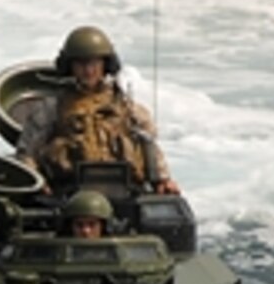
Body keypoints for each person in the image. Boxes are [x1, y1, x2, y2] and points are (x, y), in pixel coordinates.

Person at [16, 26, 180, 195]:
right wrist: (39, 184)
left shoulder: (127, 107)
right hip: (71, 194)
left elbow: (149, 146)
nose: (88, 70)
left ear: (106, 64)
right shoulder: (52, 108)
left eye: (94, 63)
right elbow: (27, 154)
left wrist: (162, 179)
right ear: (70, 66)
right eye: (80, 63)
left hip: (125, 190)